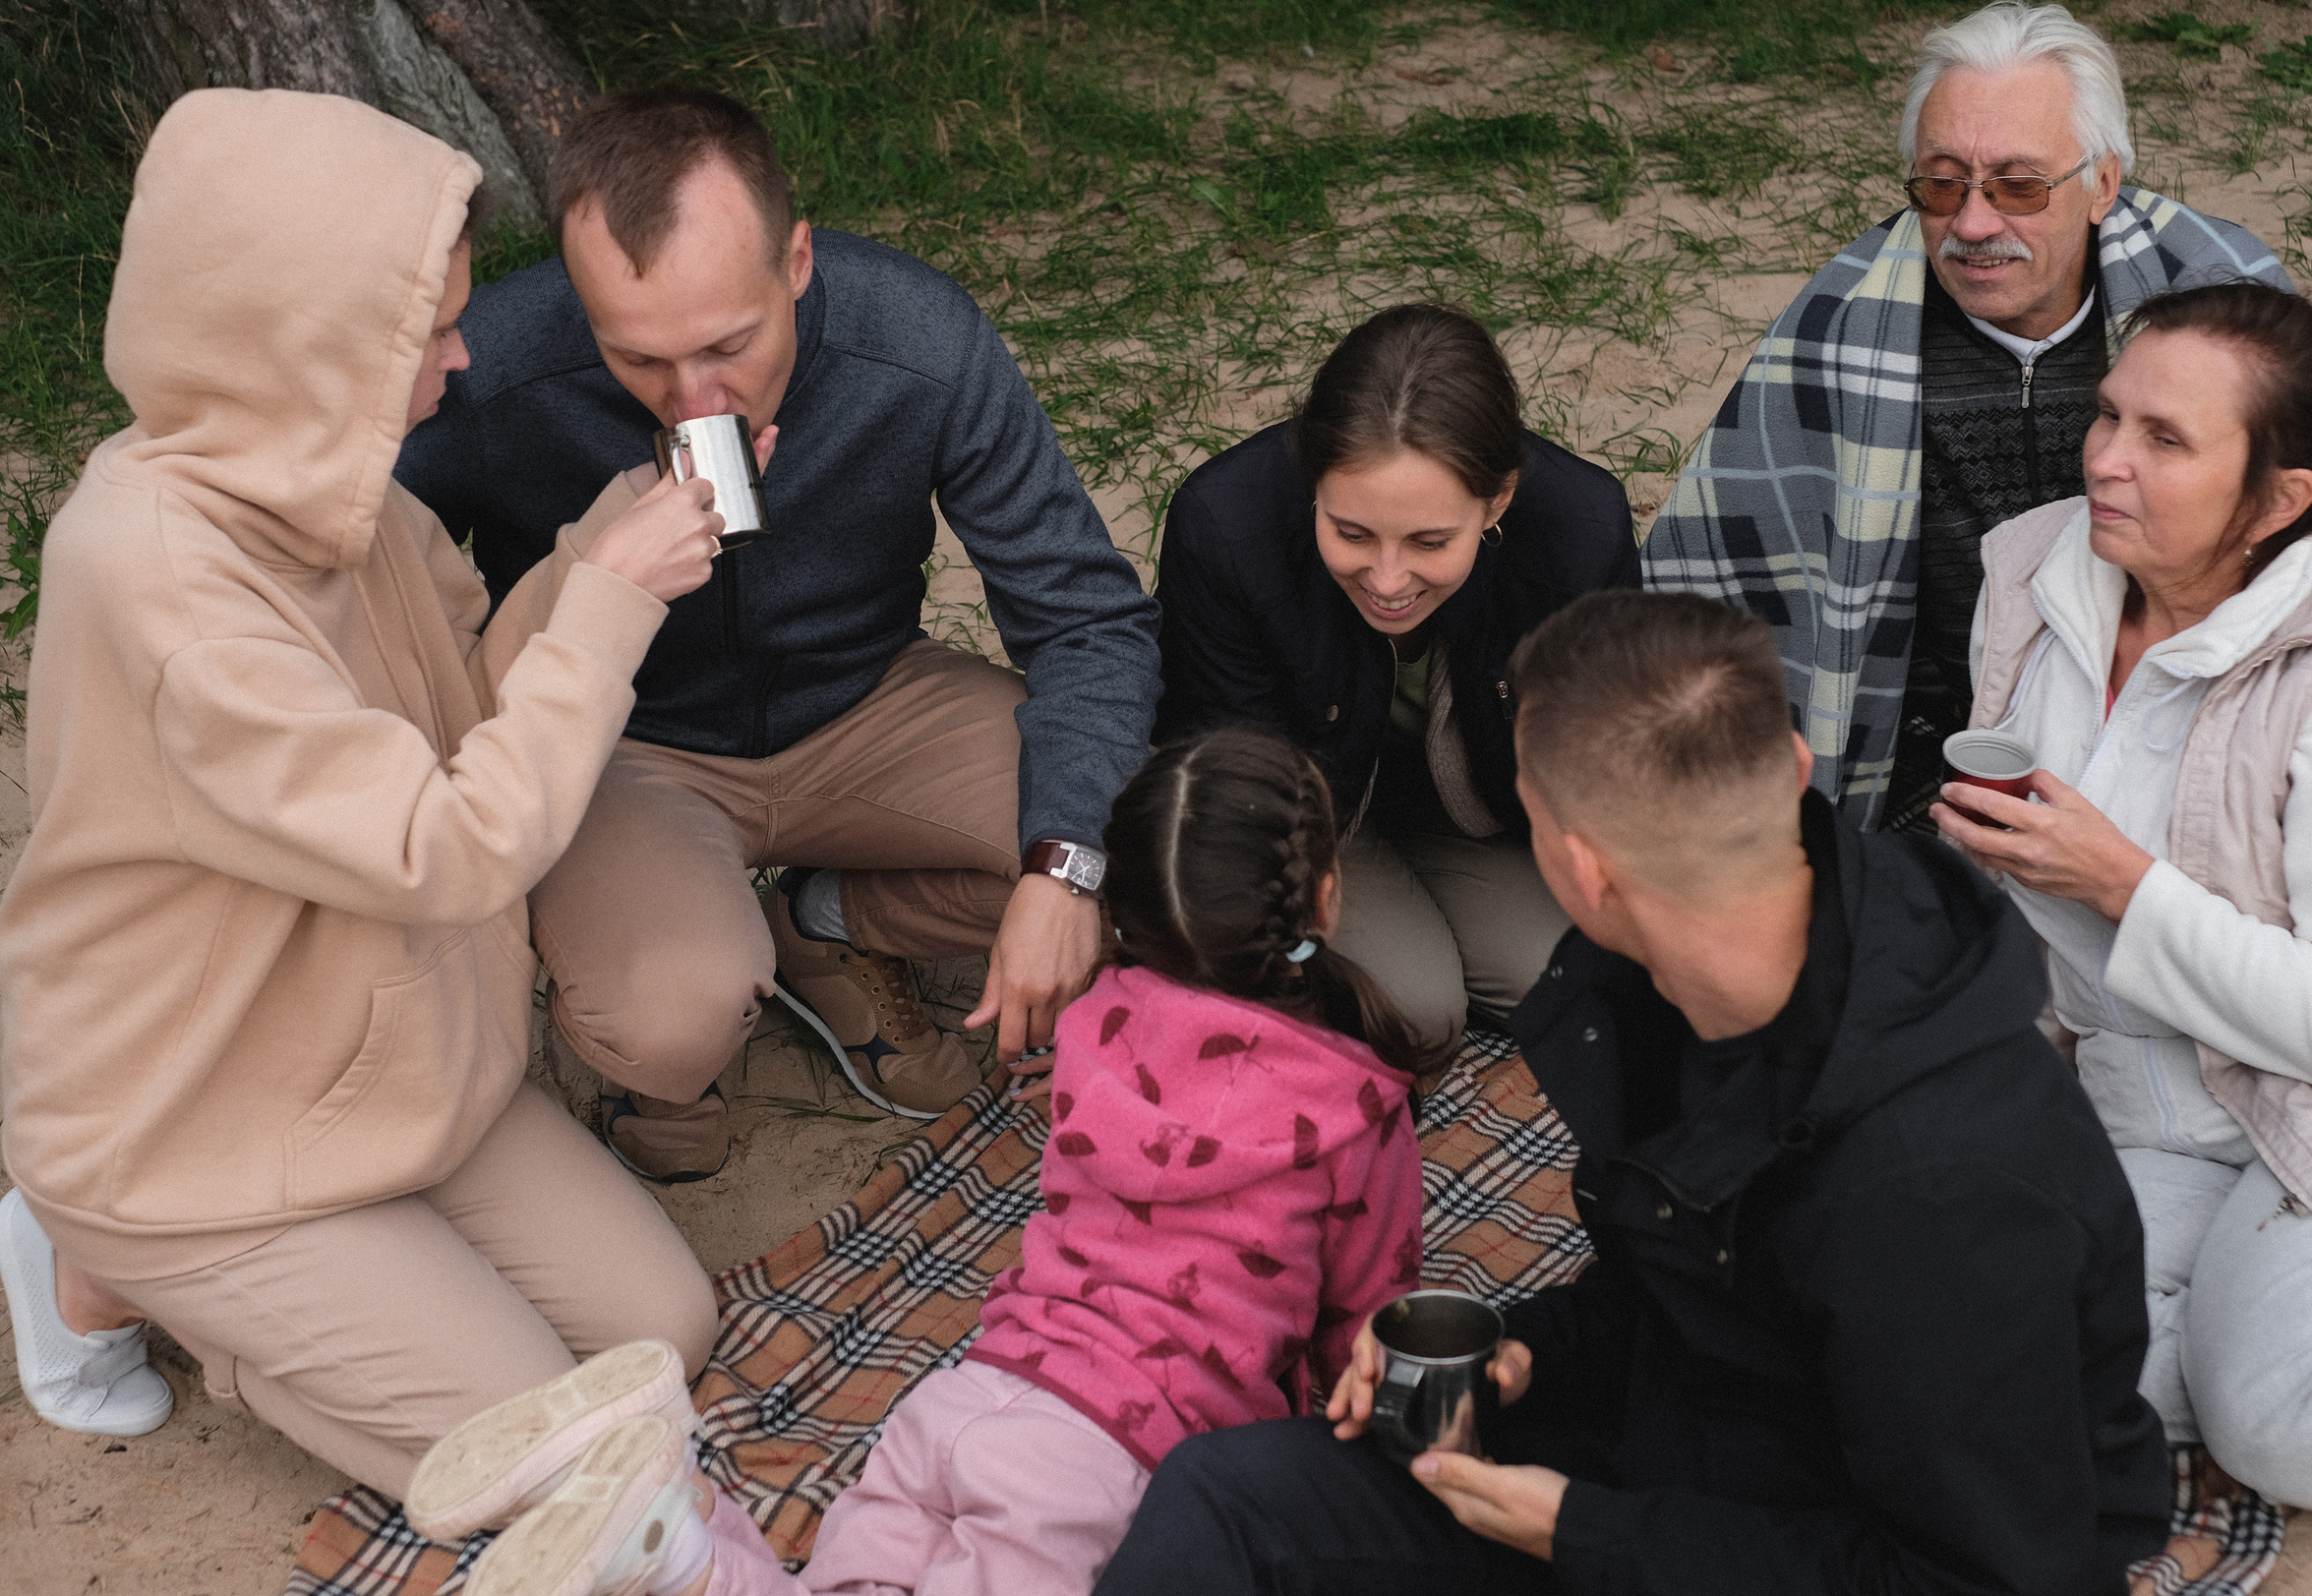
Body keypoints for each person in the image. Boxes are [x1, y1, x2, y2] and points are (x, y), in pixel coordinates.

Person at [1092, 590, 2170, 1595]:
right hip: (1681, 1445)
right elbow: (1701, 1280)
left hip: (1848, 1545)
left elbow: (1980, 1576)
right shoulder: (1681, 985)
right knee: (1226, 1500)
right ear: (1791, 763)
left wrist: (1584, 1537)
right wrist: (1523, 1353)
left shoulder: (1937, 1195)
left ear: (1580, 870)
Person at [0, 89, 722, 1486]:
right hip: (195, 1122)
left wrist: (588, 564)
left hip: (385, 1066)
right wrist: (610, 615)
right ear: (303, 342)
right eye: (425, 331)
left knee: (663, 1326)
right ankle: (106, 1255)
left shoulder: (334, 490)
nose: (460, 359)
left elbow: (466, 708)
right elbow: (447, 846)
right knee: (575, 1453)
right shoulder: (162, 582)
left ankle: (315, 1275)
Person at [402, 726, 1432, 1596]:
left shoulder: (1099, 1024)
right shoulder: (1353, 1110)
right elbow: (1369, 1327)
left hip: (971, 1393)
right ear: (1324, 899)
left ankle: (675, 1540)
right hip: (1110, 1459)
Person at [395, 86, 1163, 1180]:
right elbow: (373, 599)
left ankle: (833, 917)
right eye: (638, 359)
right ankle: (660, 1035)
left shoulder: (917, 336)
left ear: (796, 261)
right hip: (626, 747)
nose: (689, 398)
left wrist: (1065, 868)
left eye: (727, 345)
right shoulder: (492, 367)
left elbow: (1087, 617)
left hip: (869, 701)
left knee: (1140, 842)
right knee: (672, 1016)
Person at [1939, 283, 2312, 1513]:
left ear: (2277, 500)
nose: (2104, 459)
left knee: (2285, 1415)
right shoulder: (2042, 571)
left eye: (2164, 439)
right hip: (2161, 1109)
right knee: (1969, 1341)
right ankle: (2274, 1314)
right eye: (2107, 417)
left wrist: (2121, 885)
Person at [1639, 0, 2312, 833]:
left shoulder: (2223, 299)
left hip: (2194, 713)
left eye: (2019, 186)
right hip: (1935, 743)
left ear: (2103, 183)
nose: (1972, 223)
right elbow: (1719, 579)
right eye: (1941, 183)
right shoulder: (1840, 326)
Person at [1156, 304, 1638, 1049]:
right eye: (1351, 533)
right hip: (1311, 825)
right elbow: (1223, 782)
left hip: (1479, 810)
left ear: (1498, 499)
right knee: (1417, 1011)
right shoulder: (1224, 527)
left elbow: (1608, 745)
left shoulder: (1583, 529)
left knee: (1577, 977)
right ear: (1312, 479)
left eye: (1429, 540)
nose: (1387, 579)